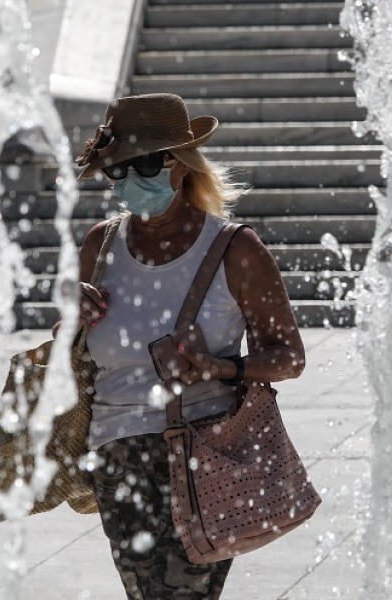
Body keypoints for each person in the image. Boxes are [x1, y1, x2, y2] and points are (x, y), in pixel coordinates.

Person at [68, 93, 306, 599]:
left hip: (200, 455)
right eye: (117, 170)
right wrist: (72, 317)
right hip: (114, 454)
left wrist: (219, 369)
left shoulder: (235, 250)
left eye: (144, 164)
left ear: (179, 163)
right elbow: (78, 353)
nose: (130, 180)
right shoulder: (100, 246)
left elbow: (289, 357)